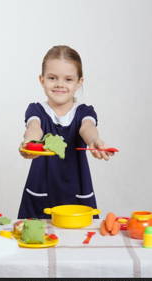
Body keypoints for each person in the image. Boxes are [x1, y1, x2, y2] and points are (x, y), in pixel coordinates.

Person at [18, 45, 114, 219]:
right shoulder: (36, 110)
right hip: (41, 189)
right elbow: (34, 128)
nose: (60, 84)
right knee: (36, 236)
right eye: (52, 78)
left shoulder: (84, 112)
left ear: (79, 82)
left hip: (77, 190)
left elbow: (87, 128)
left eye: (68, 79)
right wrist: (29, 144)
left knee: (79, 239)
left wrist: (95, 141)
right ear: (42, 80)